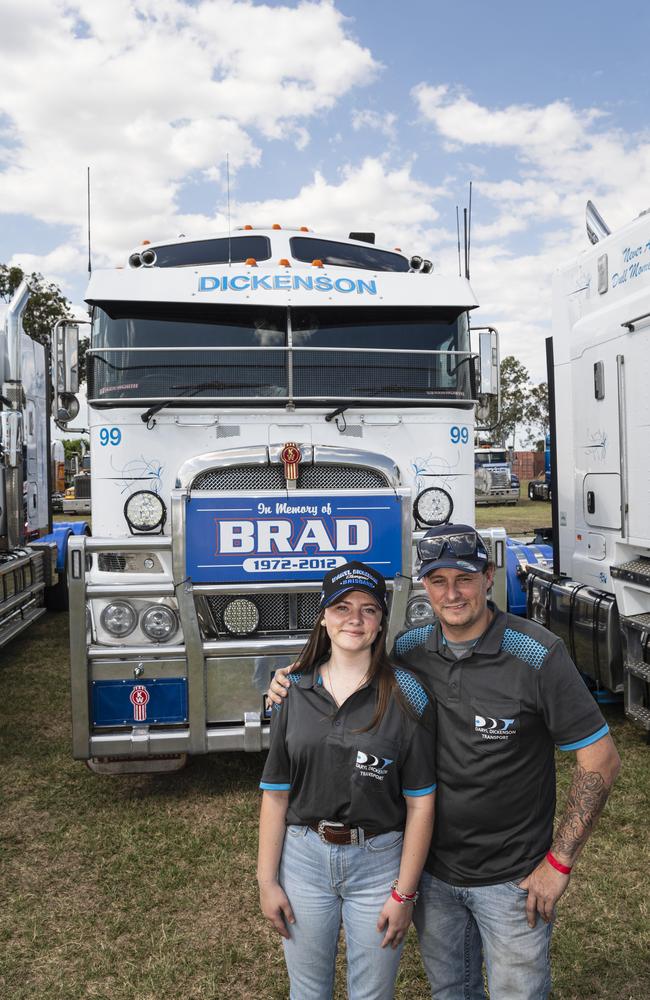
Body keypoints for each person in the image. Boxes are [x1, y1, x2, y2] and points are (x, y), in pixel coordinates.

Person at [269, 525, 621, 1000]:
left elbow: (601, 759)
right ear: (424, 586)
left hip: (512, 878)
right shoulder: (412, 651)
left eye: (465, 578)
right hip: (433, 875)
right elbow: (352, 671)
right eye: (438, 581)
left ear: (489, 577)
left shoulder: (537, 655)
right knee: (451, 991)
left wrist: (558, 863)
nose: (452, 593)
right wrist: (292, 680)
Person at [257, 561, 436, 1000]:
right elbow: (276, 795)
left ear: (380, 623)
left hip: (378, 865)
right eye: (341, 607)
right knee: (308, 991)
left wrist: (404, 894)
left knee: (372, 994)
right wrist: (267, 880)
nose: (354, 619)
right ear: (322, 615)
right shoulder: (293, 691)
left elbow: (421, 804)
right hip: (303, 861)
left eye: (368, 609)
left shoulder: (404, 695)